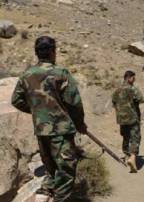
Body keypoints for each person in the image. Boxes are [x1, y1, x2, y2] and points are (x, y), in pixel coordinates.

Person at [11, 36, 87, 202]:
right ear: (53, 52)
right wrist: (80, 124)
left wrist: (38, 112)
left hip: (41, 129)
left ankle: (46, 190)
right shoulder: (60, 73)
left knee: (50, 165)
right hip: (61, 130)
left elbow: (16, 100)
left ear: (37, 53)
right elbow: (74, 103)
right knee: (66, 169)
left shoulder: (26, 75)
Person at [112, 70, 144, 173]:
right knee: (135, 137)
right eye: (133, 78)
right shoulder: (133, 88)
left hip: (121, 119)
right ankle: (132, 157)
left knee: (126, 137)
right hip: (133, 118)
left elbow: (114, 102)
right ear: (129, 78)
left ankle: (126, 156)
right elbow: (140, 99)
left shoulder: (117, 90)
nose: (134, 80)